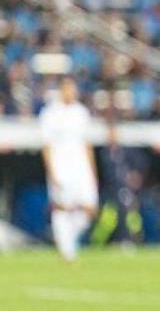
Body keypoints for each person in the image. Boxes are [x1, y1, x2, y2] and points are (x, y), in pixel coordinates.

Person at [40, 76, 99, 262]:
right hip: (61, 166)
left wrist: (92, 170)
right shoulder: (50, 113)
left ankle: (67, 238)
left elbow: (87, 144)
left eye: (74, 89)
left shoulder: (81, 112)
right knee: (63, 208)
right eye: (68, 89)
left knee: (89, 208)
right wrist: (51, 171)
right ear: (61, 90)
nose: (72, 92)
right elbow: (47, 145)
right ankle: (67, 251)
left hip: (81, 166)